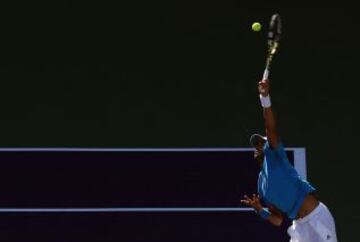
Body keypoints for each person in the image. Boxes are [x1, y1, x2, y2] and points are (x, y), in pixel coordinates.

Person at [240, 78, 338, 242]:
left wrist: (264, 97)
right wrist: (259, 209)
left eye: (261, 143)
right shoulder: (261, 185)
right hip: (299, 228)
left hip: (317, 218)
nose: (257, 146)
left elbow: (270, 128)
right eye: (255, 145)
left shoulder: (275, 155)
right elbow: (277, 219)